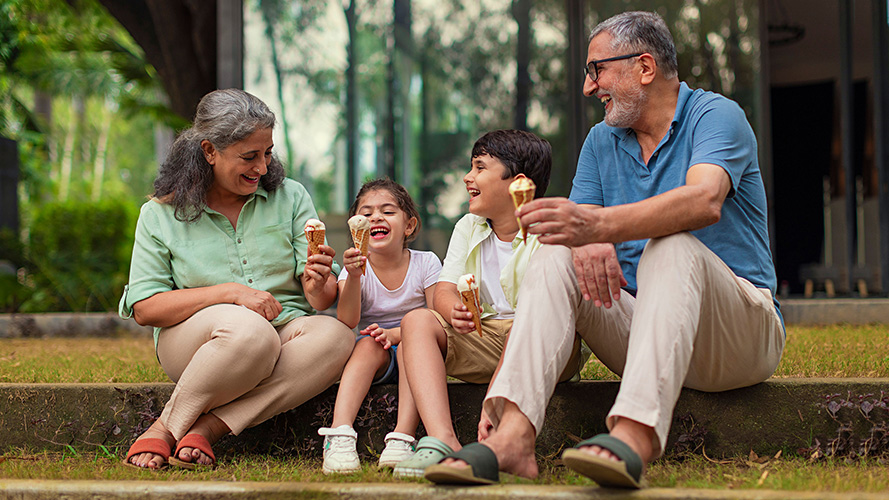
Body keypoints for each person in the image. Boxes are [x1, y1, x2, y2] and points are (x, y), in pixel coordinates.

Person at [423, 11, 785, 488]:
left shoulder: (716, 116)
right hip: (642, 332)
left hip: (737, 334)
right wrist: (581, 240)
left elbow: (705, 200)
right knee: (554, 255)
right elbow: (575, 235)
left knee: (671, 245)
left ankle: (633, 438)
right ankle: (512, 436)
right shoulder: (601, 141)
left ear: (645, 66)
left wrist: (597, 225)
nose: (589, 87)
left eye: (597, 70)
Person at [119, 89, 354, 470]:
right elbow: (145, 308)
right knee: (250, 331)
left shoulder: (291, 197)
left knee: (338, 337)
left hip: (283, 331)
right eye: (249, 156)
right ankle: (166, 427)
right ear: (210, 151)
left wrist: (318, 281)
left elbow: (321, 300)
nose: (262, 167)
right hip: (200, 343)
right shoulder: (159, 214)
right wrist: (231, 294)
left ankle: (209, 428)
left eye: (267, 153)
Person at [393, 129, 588, 478]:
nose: (468, 177)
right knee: (416, 322)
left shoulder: (550, 231)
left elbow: (538, 319)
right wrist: (452, 307)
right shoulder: (468, 226)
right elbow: (443, 292)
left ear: (518, 183)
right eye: (471, 166)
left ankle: (502, 429)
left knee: (524, 325)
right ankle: (443, 441)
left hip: (544, 344)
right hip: (486, 338)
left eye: (480, 167)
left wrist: (494, 395)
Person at [317, 178, 442, 474]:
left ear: (409, 226)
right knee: (367, 346)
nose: (376, 217)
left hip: (420, 350)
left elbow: (438, 316)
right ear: (355, 227)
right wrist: (354, 276)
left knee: (411, 344)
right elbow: (347, 320)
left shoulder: (426, 263)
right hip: (378, 352)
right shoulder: (356, 268)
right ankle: (340, 433)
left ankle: (402, 437)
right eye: (367, 212)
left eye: (388, 211)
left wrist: (398, 334)